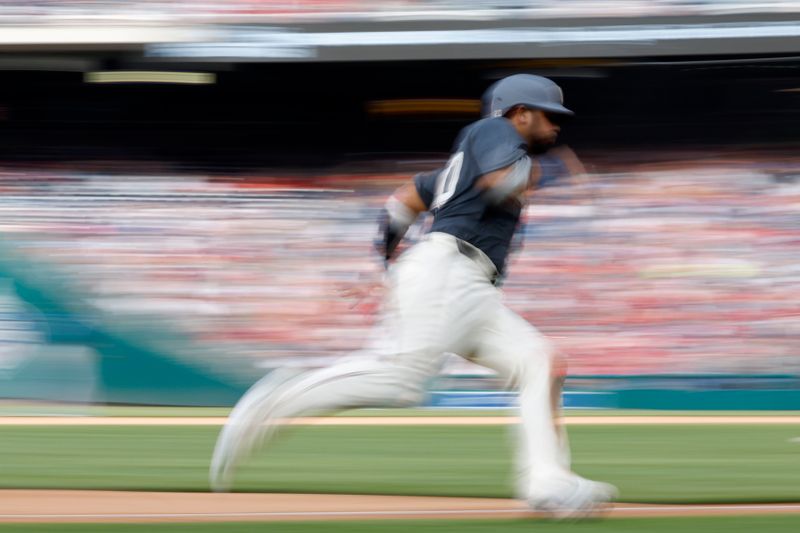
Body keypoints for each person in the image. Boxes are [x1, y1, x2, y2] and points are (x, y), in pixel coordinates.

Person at [210, 74, 617, 518]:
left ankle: (548, 483)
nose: (557, 125)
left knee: (540, 361)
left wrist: (391, 267)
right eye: (549, 114)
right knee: (400, 382)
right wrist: (554, 170)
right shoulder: (494, 130)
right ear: (520, 113)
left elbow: (401, 203)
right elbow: (501, 183)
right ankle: (274, 397)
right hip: (450, 270)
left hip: (466, 284)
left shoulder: (458, 169)